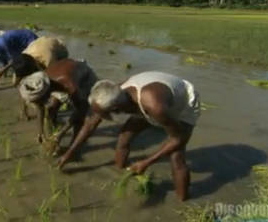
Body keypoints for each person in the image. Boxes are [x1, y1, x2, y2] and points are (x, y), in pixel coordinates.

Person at [55, 71, 201, 201]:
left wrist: (146, 162)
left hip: (183, 104)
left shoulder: (154, 107)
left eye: (105, 115)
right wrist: (69, 154)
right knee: (124, 137)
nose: (102, 118)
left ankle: (183, 201)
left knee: (176, 156)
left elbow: (177, 139)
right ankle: (121, 173)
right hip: (150, 98)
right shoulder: (113, 93)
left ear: (116, 109)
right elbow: (89, 125)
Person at [17, 59, 97, 145]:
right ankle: (54, 135)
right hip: (61, 78)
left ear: (45, 94)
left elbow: (80, 110)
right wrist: (40, 132)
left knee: (80, 118)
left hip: (84, 78)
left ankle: (73, 145)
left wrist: (61, 133)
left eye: (39, 100)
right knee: (51, 109)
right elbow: (40, 107)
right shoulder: (40, 81)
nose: (39, 103)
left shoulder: (68, 83)